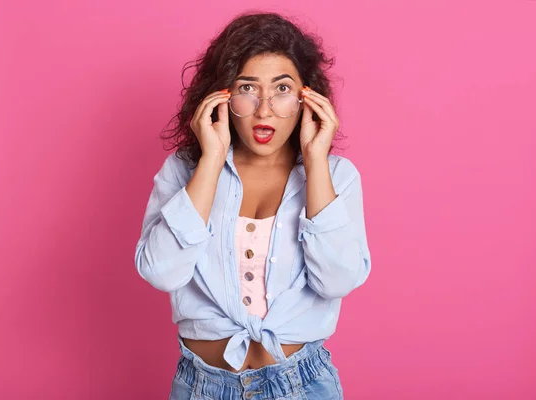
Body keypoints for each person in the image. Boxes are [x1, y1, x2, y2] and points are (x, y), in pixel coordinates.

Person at [135, 11, 371, 400]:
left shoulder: (336, 176)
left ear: (306, 97)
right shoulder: (184, 171)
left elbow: (338, 280)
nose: (265, 109)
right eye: (248, 87)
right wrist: (211, 159)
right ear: (222, 94)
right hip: (202, 387)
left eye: (282, 89)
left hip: (302, 385)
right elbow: (161, 273)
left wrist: (315, 161)